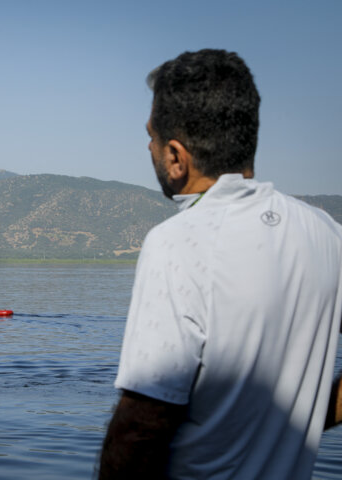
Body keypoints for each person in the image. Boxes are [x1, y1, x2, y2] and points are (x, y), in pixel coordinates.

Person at [96, 49, 342, 479]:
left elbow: (141, 426)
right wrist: (300, 415)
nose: (148, 148)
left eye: (151, 136)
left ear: (175, 156)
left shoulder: (179, 242)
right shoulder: (326, 233)